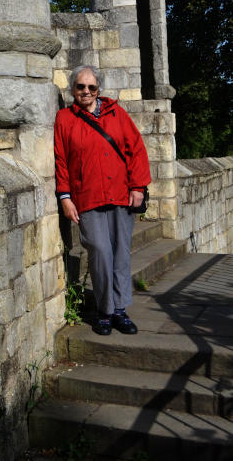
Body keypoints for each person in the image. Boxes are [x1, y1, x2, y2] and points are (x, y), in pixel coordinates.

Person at [54, 65, 151, 336]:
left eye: (91, 87)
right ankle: (104, 310)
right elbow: (61, 159)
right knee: (99, 250)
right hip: (87, 196)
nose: (86, 91)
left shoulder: (116, 113)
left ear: (99, 89)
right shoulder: (64, 119)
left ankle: (119, 310)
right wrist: (65, 196)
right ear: (73, 89)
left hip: (121, 194)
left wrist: (138, 187)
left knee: (120, 251)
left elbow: (136, 149)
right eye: (80, 87)